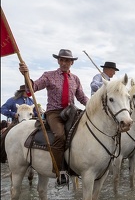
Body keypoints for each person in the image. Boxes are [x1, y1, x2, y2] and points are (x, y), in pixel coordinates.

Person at [19, 49, 89, 185]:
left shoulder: (75, 79)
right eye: (62, 60)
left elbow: (81, 96)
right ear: (58, 61)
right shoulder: (48, 76)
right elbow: (33, 87)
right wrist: (26, 75)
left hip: (71, 112)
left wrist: (92, 105)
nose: (64, 63)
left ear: (72, 63)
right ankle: (61, 170)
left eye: (67, 60)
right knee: (60, 135)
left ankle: (82, 164)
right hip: (54, 113)